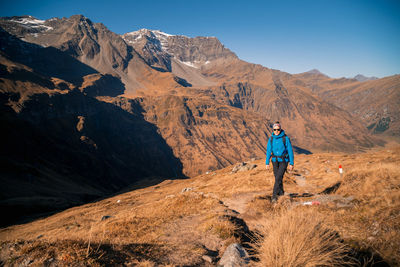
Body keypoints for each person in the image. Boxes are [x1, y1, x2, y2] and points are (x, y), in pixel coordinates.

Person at [265, 121, 294, 203]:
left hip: (284, 161)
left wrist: (291, 163)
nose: (276, 131)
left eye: (278, 129)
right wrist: (267, 163)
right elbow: (268, 151)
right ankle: (281, 193)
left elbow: (290, 151)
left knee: (278, 178)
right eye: (275, 129)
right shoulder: (271, 139)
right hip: (274, 161)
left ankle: (274, 196)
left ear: (280, 129)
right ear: (273, 130)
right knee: (278, 178)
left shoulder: (285, 138)